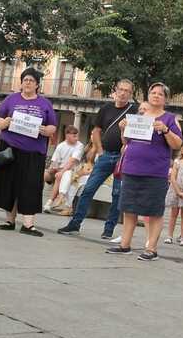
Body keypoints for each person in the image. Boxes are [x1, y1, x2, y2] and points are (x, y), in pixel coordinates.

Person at [105, 82, 183, 260]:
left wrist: (165, 130)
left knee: (154, 211)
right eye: (153, 93)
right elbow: (126, 142)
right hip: (132, 168)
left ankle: (152, 249)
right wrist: (123, 129)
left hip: (155, 171)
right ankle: (125, 244)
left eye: (160, 94)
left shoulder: (170, 118)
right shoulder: (139, 116)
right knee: (129, 208)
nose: (156, 95)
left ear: (166, 99)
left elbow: (177, 144)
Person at [57, 79, 138, 238]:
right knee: (88, 189)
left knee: (117, 194)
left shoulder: (134, 111)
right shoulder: (106, 108)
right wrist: (100, 151)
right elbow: (96, 131)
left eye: (127, 91)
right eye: (120, 89)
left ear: (131, 94)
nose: (123, 93)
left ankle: (109, 230)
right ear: (115, 89)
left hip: (123, 158)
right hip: (106, 155)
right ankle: (75, 223)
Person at [0, 67, 58, 236]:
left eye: (31, 80)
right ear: (21, 83)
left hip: (34, 151)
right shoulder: (11, 99)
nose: (27, 83)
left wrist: (46, 130)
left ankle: (28, 224)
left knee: (31, 186)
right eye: (25, 80)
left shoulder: (45, 104)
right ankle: (9, 220)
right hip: (10, 148)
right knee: (8, 184)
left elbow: (53, 126)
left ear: (37, 85)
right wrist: (2, 123)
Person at [43, 125, 84, 212]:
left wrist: (61, 172)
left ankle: (50, 202)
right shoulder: (61, 146)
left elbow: (71, 162)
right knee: (45, 175)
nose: (77, 138)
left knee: (60, 176)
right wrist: (52, 168)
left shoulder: (79, 145)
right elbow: (55, 161)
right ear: (67, 135)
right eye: (74, 136)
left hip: (73, 170)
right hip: (60, 169)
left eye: (77, 136)